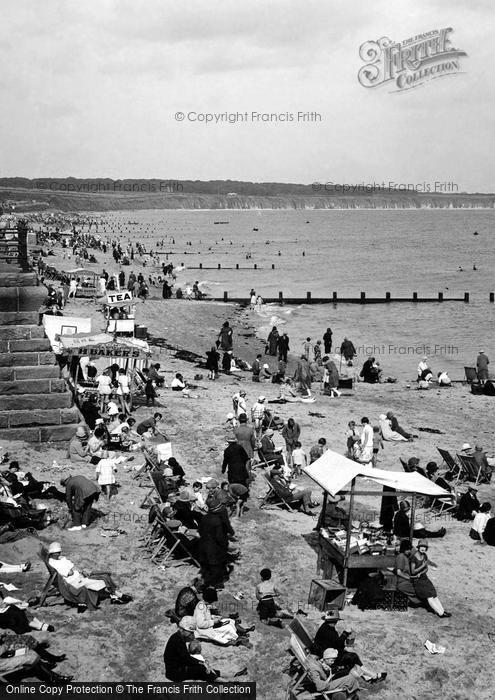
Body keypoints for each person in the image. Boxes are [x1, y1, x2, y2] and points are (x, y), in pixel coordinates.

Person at [47, 542, 132, 610]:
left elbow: (73, 566)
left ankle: (114, 597)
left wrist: (79, 570)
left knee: (102, 576)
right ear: (52, 553)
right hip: (74, 582)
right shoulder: (54, 564)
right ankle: (117, 595)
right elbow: (70, 573)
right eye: (57, 553)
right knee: (100, 580)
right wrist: (72, 570)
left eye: (59, 552)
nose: (59, 554)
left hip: (79, 576)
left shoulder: (61, 558)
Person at [164, 617, 219, 682]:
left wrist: (201, 663)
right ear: (182, 630)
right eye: (191, 632)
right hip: (174, 673)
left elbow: (185, 658)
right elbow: (187, 659)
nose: (192, 635)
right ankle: (224, 682)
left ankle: (228, 675)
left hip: (176, 668)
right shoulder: (177, 641)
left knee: (205, 668)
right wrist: (201, 662)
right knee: (203, 669)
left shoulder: (177, 637)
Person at [409, 540, 451, 617]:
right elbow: (413, 571)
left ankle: (443, 610)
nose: (423, 548)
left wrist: (422, 571)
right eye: (421, 547)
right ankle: (440, 613)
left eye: (425, 547)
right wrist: (422, 566)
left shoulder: (424, 556)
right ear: (418, 547)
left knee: (434, 594)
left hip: (424, 578)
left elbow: (426, 569)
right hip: (417, 581)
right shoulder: (414, 557)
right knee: (429, 596)